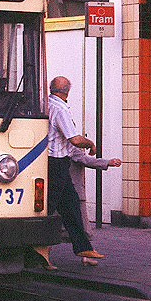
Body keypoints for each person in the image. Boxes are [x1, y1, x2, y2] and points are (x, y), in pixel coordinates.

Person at [47, 76, 106, 267]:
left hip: (51, 163)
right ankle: (38, 253)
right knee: (49, 210)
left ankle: (83, 247)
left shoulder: (44, 103)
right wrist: (90, 144)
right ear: (67, 92)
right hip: (57, 163)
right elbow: (74, 139)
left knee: (70, 206)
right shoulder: (60, 108)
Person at [69, 144, 121, 236]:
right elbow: (88, 161)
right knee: (82, 218)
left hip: (65, 187)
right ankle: (84, 240)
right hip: (75, 188)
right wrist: (107, 162)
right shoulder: (72, 149)